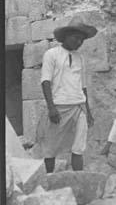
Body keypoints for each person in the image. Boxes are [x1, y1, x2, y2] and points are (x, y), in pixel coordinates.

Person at [36, 17, 97, 173]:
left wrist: (88, 111)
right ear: (66, 36)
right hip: (59, 107)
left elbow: (83, 86)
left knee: (79, 147)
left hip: (79, 106)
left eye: (82, 40)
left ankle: (79, 180)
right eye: (76, 38)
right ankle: (49, 179)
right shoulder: (52, 54)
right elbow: (45, 81)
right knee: (50, 147)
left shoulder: (80, 58)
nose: (78, 42)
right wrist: (51, 107)